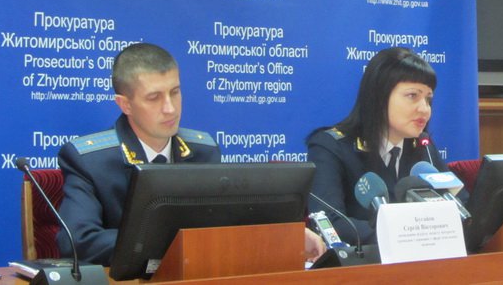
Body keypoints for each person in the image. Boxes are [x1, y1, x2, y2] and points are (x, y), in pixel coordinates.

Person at [57, 42, 325, 266]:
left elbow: (230, 224)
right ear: (125, 104)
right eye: (154, 98)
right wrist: (176, 244)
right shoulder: (90, 160)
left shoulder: (203, 151)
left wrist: (285, 236)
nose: (170, 108)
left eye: (175, 92)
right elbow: (77, 240)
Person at [306, 46, 468, 245]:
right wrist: (407, 236)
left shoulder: (423, 146)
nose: (425, 109)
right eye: (413, 96)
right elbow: (330, 223)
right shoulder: (331, 147)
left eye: (428, 99)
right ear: (379, 96)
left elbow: (462, 206)